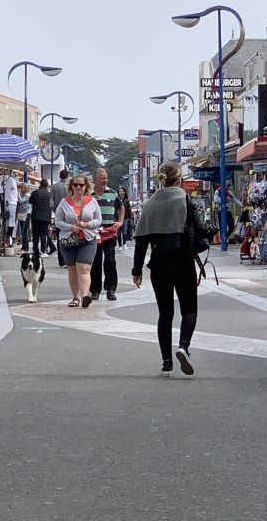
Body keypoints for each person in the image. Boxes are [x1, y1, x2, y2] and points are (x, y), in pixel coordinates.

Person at [132, 162, 206, 377]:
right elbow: (201, 228)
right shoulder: (185, 198)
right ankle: (183, 346)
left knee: (165, 313)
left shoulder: (150, 203)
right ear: (179, 179)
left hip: (159, 263)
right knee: (189, 309)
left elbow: (141, 240)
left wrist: (137, 270)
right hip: (183, 260)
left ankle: (166, 362)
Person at [55, 175, 102, 307]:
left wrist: (87, 224)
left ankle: (85, 295)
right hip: (68, 240)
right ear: (71, 186)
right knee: (72, 269)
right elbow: (58, 222)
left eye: (81, 185)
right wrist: (71, 227)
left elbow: (99, 220)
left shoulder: (92, 201)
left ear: (86, 186)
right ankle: (75, 297)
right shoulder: (64, 202)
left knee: (84, 268)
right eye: (75, 185)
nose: (78, 187)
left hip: (88, 239)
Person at [90, 168, 124, 301]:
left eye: (106, 178)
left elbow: (121, 208)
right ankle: (95, 290)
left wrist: (120, 222)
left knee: (110, 260)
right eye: (102, 178)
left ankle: (111, 289)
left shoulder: (113, 193)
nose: (104, 180)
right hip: (94, 231)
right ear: (96, 179)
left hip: (109, 231)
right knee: (95, 261)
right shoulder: (90, 195)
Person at [51, 169, 69, 266]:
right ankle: (67, 260)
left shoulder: (54, 186)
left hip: (58, 215)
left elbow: (51, 201)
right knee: (67, 236)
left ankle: (60, 260)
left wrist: (54, 210)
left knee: (59, 237)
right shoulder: (69, 187)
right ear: (67, 176)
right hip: (68, 215)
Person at [29, 179, 51, 257]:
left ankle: (35, 250)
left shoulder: (35, 192)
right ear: (47, 185)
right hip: (46, 217)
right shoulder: (49, 194)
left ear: (40, 185)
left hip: (36, 216)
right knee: (44, 234)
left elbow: (30, 201)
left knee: (35, 234)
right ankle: (43, 250)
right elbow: (51, 205)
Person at [4, 170, 18, 247]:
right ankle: (10, 239)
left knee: (10, 221)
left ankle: (9, 238)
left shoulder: (10, 180)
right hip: (11, 203)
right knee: (11, 222)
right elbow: (12, 189)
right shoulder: (11, 180)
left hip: (10, 203)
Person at [17, 183, 31, 253]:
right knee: (22, 231)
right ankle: (24, 247)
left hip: (26, 214)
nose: (21, 189)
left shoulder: (27, 195)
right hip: (21, 213)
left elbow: (21, 201)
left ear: (25, 188)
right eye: (20, 187)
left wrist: (18, 193)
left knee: (24, 231)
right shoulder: (22, 194)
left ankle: (25, 248)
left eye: (22, 187)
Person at [117, 186, 132, 251]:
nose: (120, 192)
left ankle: (124, 244)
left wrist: (129, 217)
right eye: (119, 191)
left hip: (125, 218)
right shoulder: (116, 200)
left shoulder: (126, 201)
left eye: (122, 191)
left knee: (124, 232)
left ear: (124, 192)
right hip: (118, 219)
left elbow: (128, 210)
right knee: (118, 233)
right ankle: (120, 245)